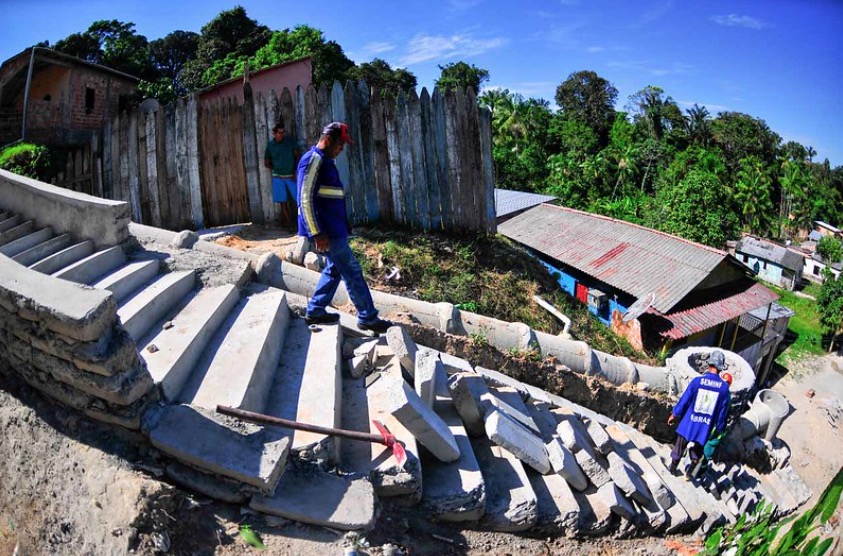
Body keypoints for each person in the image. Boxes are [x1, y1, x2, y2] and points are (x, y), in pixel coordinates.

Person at [296, 121, 392, 333]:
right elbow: (304, 199)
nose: (342, 149)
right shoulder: (313, 160)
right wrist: (316, 232)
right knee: (352, 271)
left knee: (334, 270)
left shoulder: (326, 161)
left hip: (334, 228)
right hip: (326, 232)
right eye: (340, 144)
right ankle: (367, 317)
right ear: (328, 140)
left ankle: (316, 310)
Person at [667, 350, 732, 479]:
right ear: (720, 369)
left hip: (689, 422)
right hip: (705, 426)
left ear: (709, 365)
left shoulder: (697, 381)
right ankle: (689, 472)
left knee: (680, 445)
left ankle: (672, 469)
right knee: (698, 450)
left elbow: (685, 400)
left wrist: (674, 414)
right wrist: (719, 428)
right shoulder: (724, 389)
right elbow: (722, 413)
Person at [264, 123, 299, 228]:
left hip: (291, 176)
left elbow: (297, 156)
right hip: (278, 178)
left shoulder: (289, 142)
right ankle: (290, 225)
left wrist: (295, 171)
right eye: (279, 133)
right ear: (274, 133)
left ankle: (302, 224)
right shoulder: (270, 146)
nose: (282, 134)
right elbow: (266, 162)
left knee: (299, 200)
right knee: (283, 203)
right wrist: (276, 168)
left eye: (283, 132)